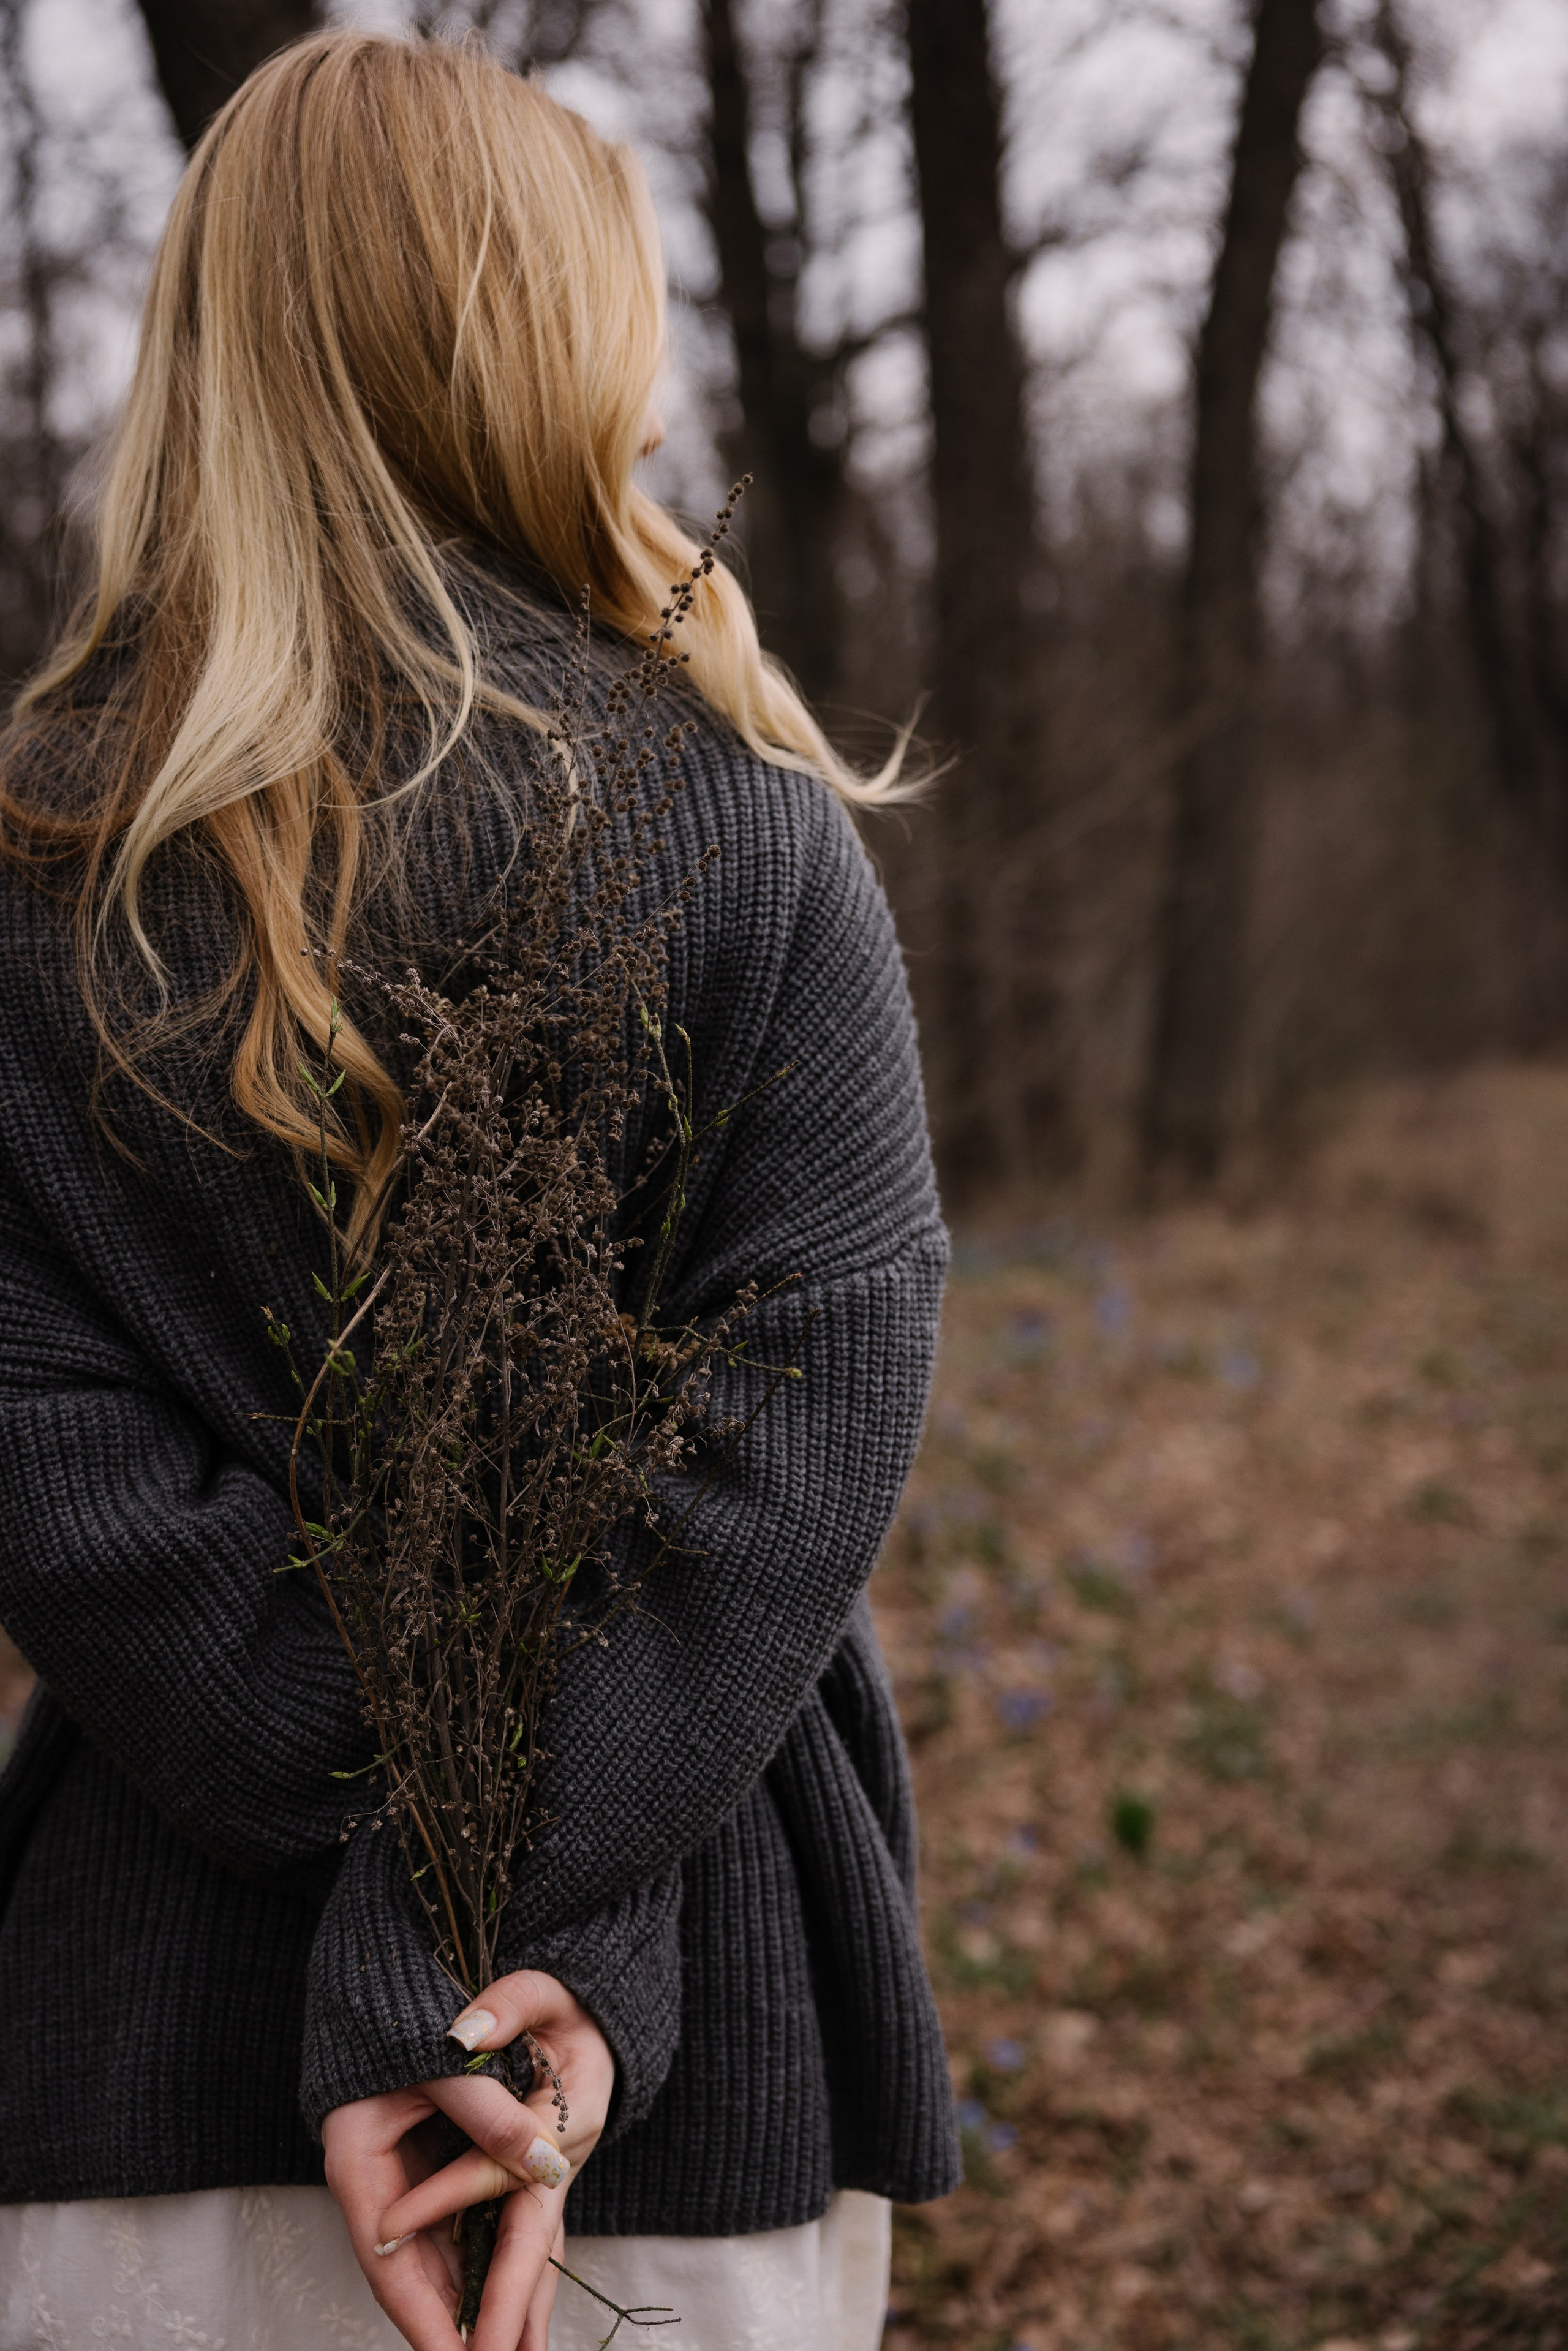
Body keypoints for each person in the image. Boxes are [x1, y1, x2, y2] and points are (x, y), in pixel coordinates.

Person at [0, 31, 957, 2351]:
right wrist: (512, 1930)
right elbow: (801, 1426)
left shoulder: (36, 863)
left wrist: (417, 1907)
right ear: (552, 336)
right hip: (658, 2063)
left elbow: (52, 1444)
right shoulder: (735, 815)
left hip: (151, 2055)